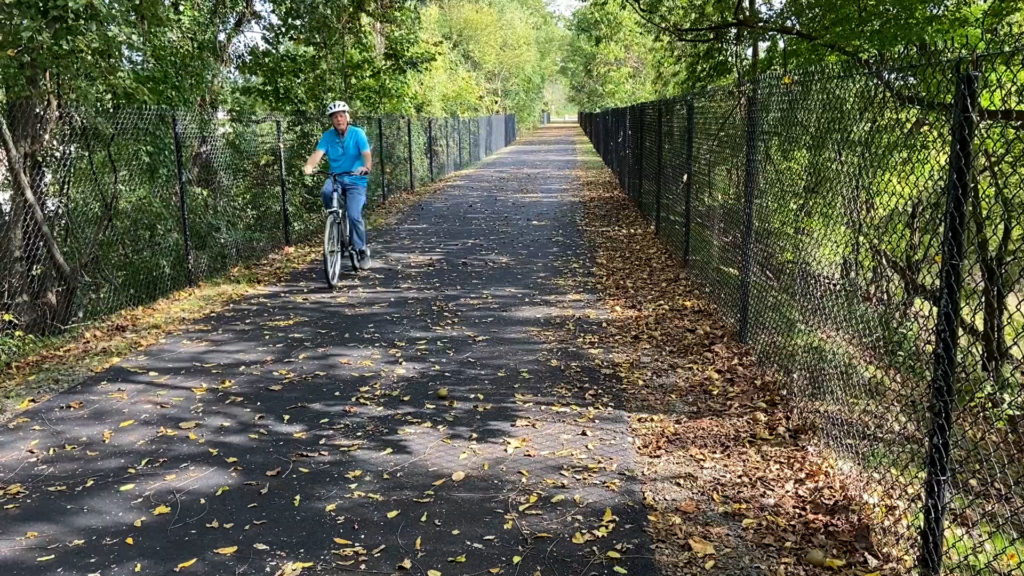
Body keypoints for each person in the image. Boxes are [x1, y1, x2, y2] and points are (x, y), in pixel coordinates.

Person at [303, 100, 372, 269]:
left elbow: (366, 154)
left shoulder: (358, 133)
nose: (339, 119)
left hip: (356, 180)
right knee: (326, 191)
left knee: (354, 215)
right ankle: (335, 218)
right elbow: (317, 154)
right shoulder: (328, 136)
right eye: (335, 117)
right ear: (331, 120)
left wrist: (366, 167)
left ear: (347, 117)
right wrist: (309, 166)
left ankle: (361, 249)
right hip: (337, 178)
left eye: (341, 116)